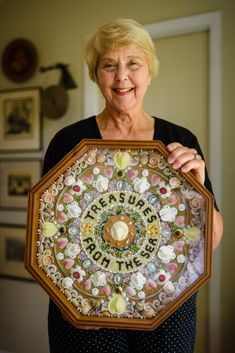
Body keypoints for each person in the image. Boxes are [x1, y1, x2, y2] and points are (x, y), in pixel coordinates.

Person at [42, 18, 223, 353]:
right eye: (109, 65)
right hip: (87, 311)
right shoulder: (68, 142)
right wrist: (67, 301)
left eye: (133, 64)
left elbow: (207, 241)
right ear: (96, 75)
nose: (121, 76)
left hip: (168, 308)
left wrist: (199, 190)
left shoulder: (179, 141)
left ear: (149, 72)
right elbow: (47, 236)